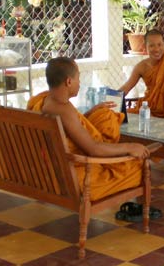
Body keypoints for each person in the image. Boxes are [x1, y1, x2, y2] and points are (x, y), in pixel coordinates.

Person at [27, 57, 150, 201]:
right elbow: (94, 149)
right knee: (137, 167)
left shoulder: (43, 101)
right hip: (70, 177)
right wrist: (130, 146)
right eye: (78, 78)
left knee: (104, 116)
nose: (79, 83)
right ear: (68, 81)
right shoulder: (64, 109)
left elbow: (68, 128)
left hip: (47, 170)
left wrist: (89, 114)